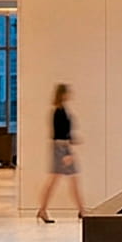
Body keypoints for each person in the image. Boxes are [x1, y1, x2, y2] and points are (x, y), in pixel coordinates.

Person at [36, 83, 84, 224]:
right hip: (61, 149)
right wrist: (66, 154)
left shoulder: (61, 110)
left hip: (62, 148)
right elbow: (59, 133)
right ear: (63, 94)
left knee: (58, 180)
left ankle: (44, 209)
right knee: (61, 180)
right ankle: (81, 210)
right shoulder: (59, 111)